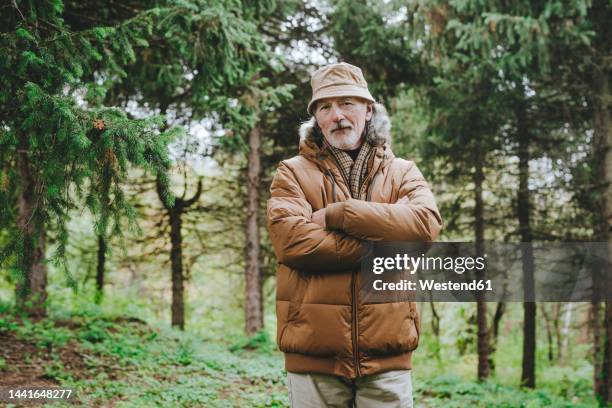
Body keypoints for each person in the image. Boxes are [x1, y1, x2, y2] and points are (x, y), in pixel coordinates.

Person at [267, 62, 442, 407]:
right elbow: (293, 244)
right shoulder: (292, 173)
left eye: (347, 103)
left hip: (387, 358)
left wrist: (338, 214)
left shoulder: (403, 172)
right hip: (313, 356)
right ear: (316, 117)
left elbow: (424, 228)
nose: (337, 116)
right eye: (325, 107)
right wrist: (389, 242)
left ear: (368, 110)